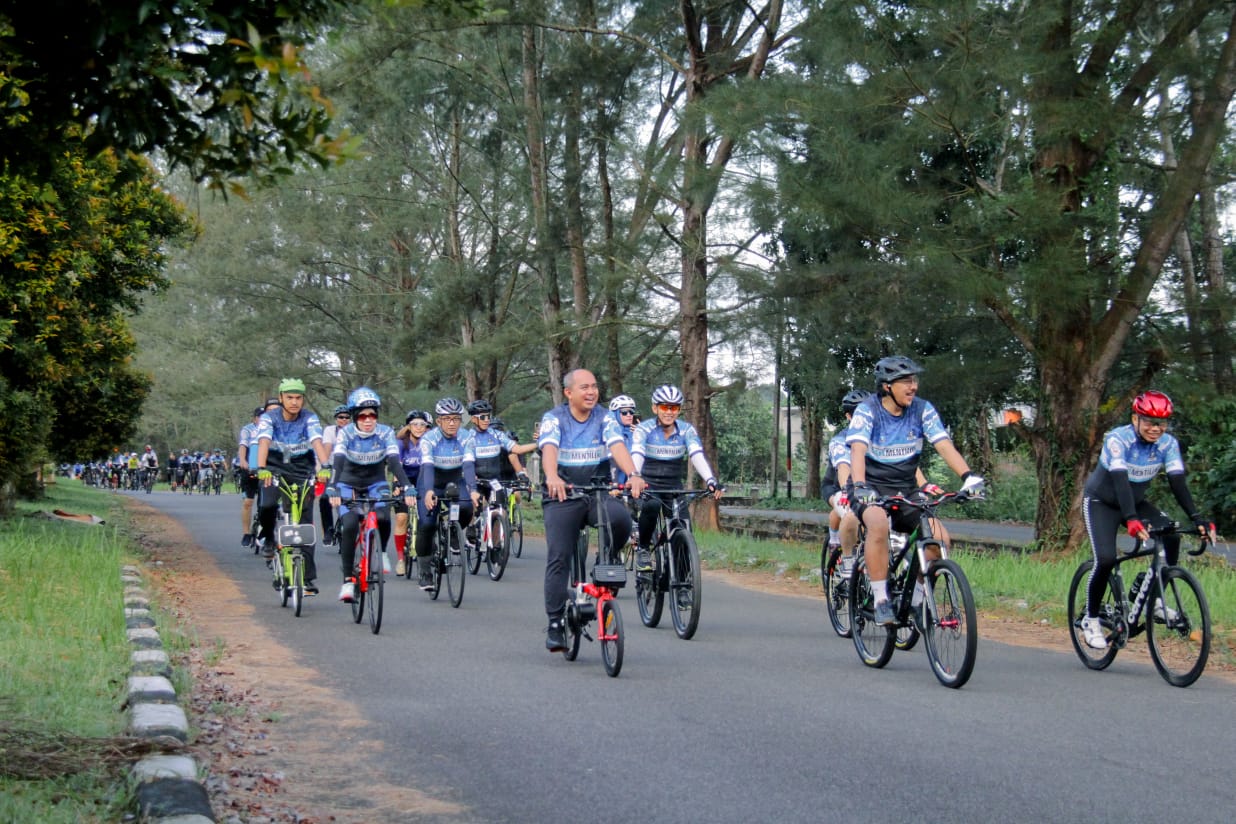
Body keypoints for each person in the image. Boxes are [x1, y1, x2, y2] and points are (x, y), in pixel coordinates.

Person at [846, 356, 985, 626]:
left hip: (906, 488)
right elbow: (858, 450)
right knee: (877, 524)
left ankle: (917, 600)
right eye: (906, 382)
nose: (913, 387)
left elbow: (943, 444)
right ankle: (881, 599)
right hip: (869, 486)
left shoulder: (922, 409)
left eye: (915, 380)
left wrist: (968, 477)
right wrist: (861, 485)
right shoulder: (868, 411)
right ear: (887, 386)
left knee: (939, 541)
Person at [1078, 391, 1215, 650]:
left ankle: (1155, 597)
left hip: (1135, 502)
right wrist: (1130, 519)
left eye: (1162, 423)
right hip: (1102, 503)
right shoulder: (1118, 439)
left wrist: (1198, 518)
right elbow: (1119, 479)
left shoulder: (1168, 444)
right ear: (1135, 418)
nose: (1156, 428)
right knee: (1106, 559)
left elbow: (1177, 482)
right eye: (1150, 421)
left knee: (1172, 534)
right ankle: (1091, 618)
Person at [538, 369, 645, 651]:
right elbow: (549, 449)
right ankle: (555, 623)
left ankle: (604, 563)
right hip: (563, 495)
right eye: (584, 387)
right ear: (569, 393)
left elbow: (617, 446)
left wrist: (633, 474)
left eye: (595, 387)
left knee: (621, 520)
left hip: (597, 493)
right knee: (559, 556)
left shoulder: (605, 418)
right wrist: (552, 476)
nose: (591, 392)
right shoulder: (554, 419)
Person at [325, 388, 416, 603]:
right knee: (349, 525)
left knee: (383, 516)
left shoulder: (384, 432)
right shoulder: (346, 433)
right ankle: (348, 580)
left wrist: (407, 486)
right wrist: (333, 486)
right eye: (363, 416)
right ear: (355, 417)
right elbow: (337, 461)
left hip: (376, 481)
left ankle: (382, 552)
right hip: (348, 482)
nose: (368, 420)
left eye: (372, 415)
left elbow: (394, 462)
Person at [630, 384, 721, 572]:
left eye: (674, 408)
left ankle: (683, 585)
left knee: (684, 529)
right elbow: (637, 453)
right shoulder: (644, 429)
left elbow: (696, 454)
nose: (669, 412)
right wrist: (635, 475)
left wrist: (710, 479)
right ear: (655, 408)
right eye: (664, 407)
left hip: (674, 487)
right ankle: (644, 549)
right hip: (649, 484)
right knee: (652, 506)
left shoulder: (687, 430)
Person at [253, 378, 332, 595]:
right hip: (273, 468)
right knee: (267, 505)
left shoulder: (309, 418)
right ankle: (269, 538)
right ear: (281, 398)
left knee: (305, 524)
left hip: (301, 469)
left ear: (303, 399)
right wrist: (261, 467)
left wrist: (325, 466)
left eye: (298, 398)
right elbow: (264, 443)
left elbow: (317, 441)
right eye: (289, 398)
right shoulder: (270, 418)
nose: (294, 402)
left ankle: (306, 579)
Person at [413, 398, 478, 590]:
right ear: (438, 420)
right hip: (430, 480)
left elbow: (468, 466)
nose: (452, 423)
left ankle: (453, 533)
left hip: (454, 480)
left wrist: (473, 490)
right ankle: (424, 571)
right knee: (427, 524)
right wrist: (429, 491)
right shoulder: (429, 438)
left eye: (456, 419)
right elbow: (427, 466)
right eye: (447, 418)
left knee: (467, 506)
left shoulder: (467, 437)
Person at [464, 399, 534, 549]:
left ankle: (495, 546)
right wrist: (472, 486)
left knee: (500, 512)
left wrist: (541, 443)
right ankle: (471, 527)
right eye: (482, 417)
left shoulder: (496, 434)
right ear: (473, 419)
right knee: (476, 503)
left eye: (488, 416)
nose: (486, 420)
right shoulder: (469, 438)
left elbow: (518, 449)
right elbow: (468, 465)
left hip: (495, 480)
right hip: (477, 479)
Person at [820, 390, 870, 578]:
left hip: (867, 485)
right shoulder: (841, 440)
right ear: (848, 416)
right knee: (850, 513)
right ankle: (841, 553)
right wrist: (849, 492)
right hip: (837, 486)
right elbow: (843, 467)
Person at [392, 409, 431, 576]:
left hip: (422, 481)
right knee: (402, 518)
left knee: (428, 516)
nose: (419, 427)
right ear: (409, 426)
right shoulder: (401, 443)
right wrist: (397, 485)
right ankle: (401, 559)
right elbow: (396, 467)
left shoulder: (429, 442)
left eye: (422, 424)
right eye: (415, 424)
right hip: (403, 481)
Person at [318, 404, 351, 546]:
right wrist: (323, 470)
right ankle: (328, 530)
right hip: (332, 467)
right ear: (336, 419)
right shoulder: (330, 431)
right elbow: (326, 450)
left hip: (350, 468)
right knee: (325, 497)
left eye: (346, 417)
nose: (343, 420)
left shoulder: (355, 431)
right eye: (340, 417)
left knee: (349, 498)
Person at [237, 406, 264, 546]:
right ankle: (246, 533)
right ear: (255, 418)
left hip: (267, 470)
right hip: (250, 469)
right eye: (260, 416)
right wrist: (243, 460)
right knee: (248, 502)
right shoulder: (248, 430)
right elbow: (243, 446)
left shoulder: (274, 429)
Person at [607, 394, 639, 486]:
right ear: (615, 413)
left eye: (631, 411)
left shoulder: (635, 432)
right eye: (624, 412)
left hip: (632, 484)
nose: (629, 415)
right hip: (612, 484)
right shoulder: (608, 432)